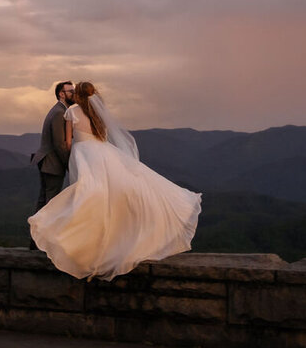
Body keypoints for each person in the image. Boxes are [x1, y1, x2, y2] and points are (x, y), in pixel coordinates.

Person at [28, 81, 201, 281]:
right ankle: (105, 241)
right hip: (101, 153)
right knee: (104, 193)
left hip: (83, 153)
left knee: (85, 194)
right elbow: (102, 135)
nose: (72, 94)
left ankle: (71, 242)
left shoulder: (72, 111)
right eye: (70, 91)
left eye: (75, 91)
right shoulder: (96, 111)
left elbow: (66, 142)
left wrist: (72, 151)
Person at [31, 80, 74, 213]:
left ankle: (37, 231)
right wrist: (69, 164)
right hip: (52, 163)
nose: (74, 94)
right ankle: (43, 231)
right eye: (71, 92)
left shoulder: (59, 110)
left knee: (44, 200)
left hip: (48, 162)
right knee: (50, 201)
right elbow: (59, 143)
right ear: (61, 94)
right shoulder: (59, 112)